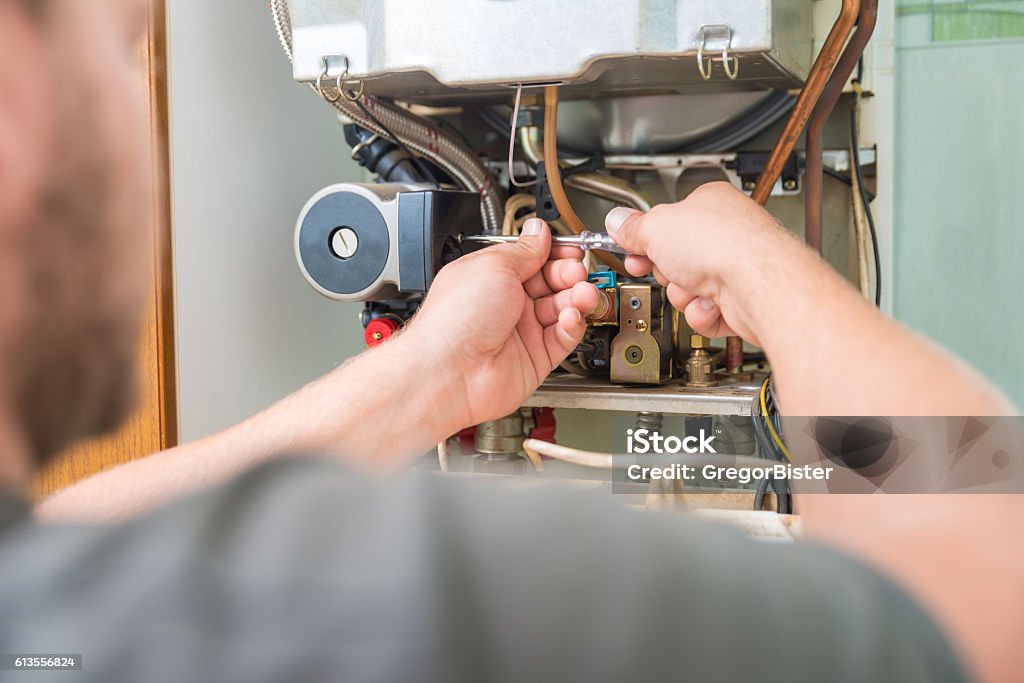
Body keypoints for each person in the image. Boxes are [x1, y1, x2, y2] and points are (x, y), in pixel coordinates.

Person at [0, 1, 1020, 681]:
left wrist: (431, 375)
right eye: (118, 56)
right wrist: (767, 272)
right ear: (20, 106)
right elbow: (991, 581)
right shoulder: (414, 585)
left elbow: (75, 539)